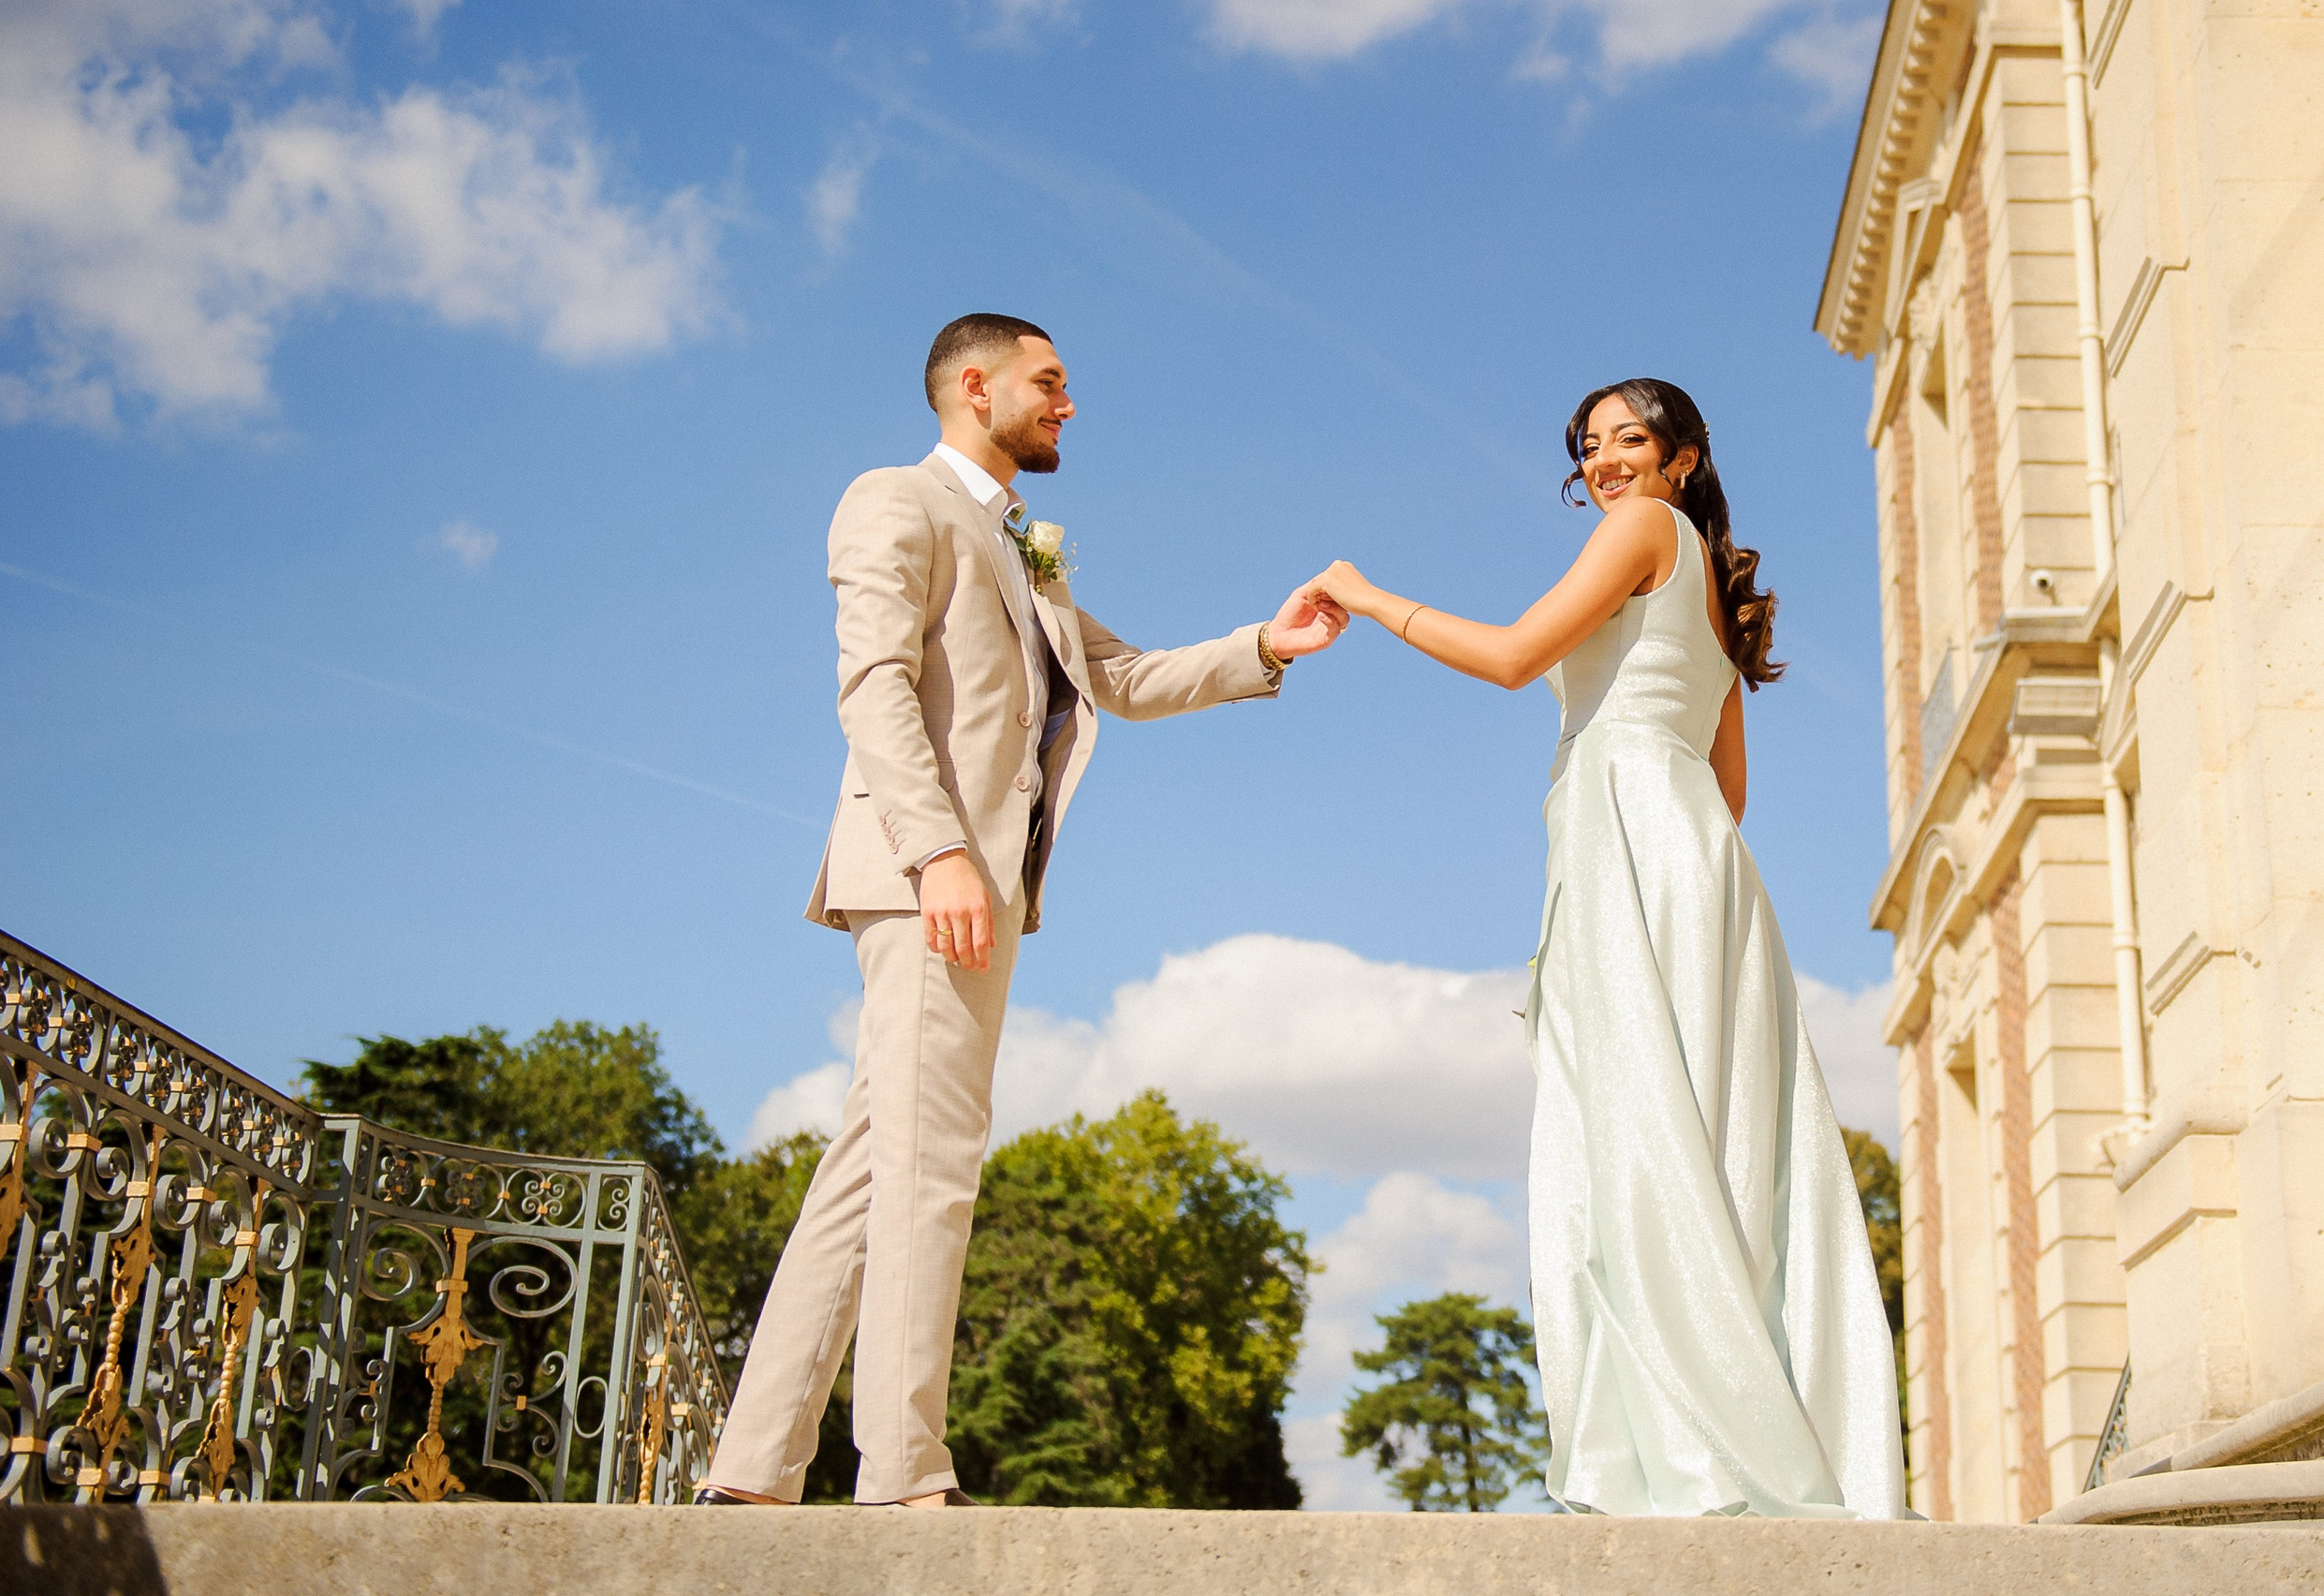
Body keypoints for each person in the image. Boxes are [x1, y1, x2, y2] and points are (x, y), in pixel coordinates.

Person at [696, 314, 1345, 1509]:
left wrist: (1267, 643)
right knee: (934, 1162)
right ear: (974, 385)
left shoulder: (1023, 549)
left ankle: (748, 1470)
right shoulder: (895, 499)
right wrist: (939, 850)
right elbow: (873, 684)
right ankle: (900, 1473)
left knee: (873, 1162)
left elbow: (1121, 677)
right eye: (1051, 382)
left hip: (975, 880)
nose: (1068, 403)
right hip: (931, 874)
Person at [1300, 378, 1905, 1518]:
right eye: (1591, 448)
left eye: (1631, 440)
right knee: (1715, 1141)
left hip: (1628, 834)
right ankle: (1734, 1428)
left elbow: (1515, 656)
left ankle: (1682, 1450)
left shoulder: (1637, 532)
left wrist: (1367, 596)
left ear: (1681, 458)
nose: (1608, 462)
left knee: (1633, 1132)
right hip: (1697, 859)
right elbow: (1727, 785)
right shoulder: (1717, 585)